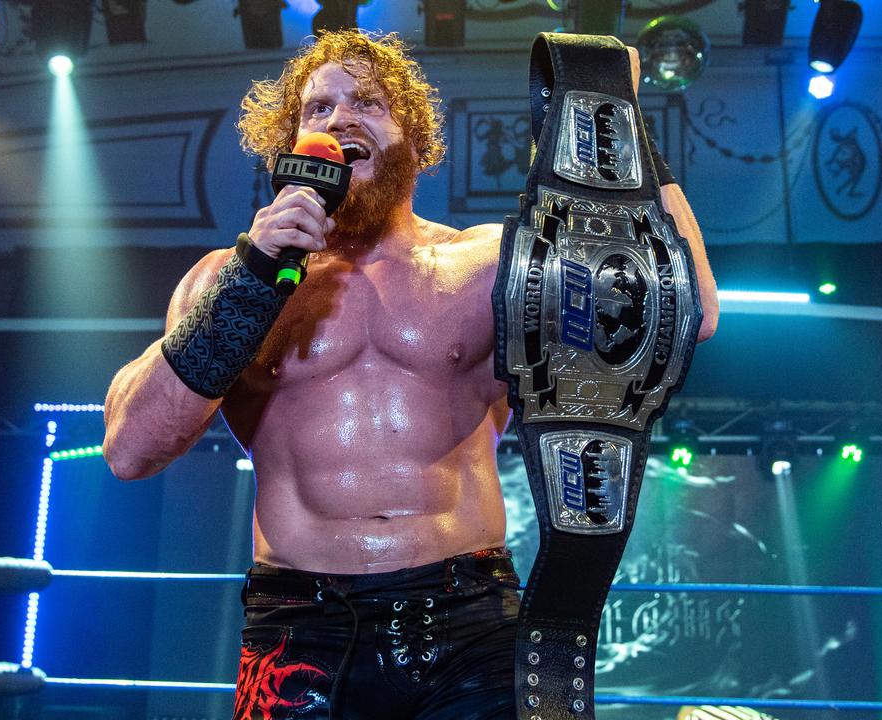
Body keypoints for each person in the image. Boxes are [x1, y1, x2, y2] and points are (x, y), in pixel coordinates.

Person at [103, 30, 717, 720]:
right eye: (317, 109)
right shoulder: (229, 277)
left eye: (368, 102)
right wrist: (253, 277)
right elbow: (130, 450)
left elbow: (684, 311)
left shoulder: (487, 263)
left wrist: (619, 112)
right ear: (289, 143)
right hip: (300, 629)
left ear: (415, 140)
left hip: (468, 619)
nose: (339, 119)